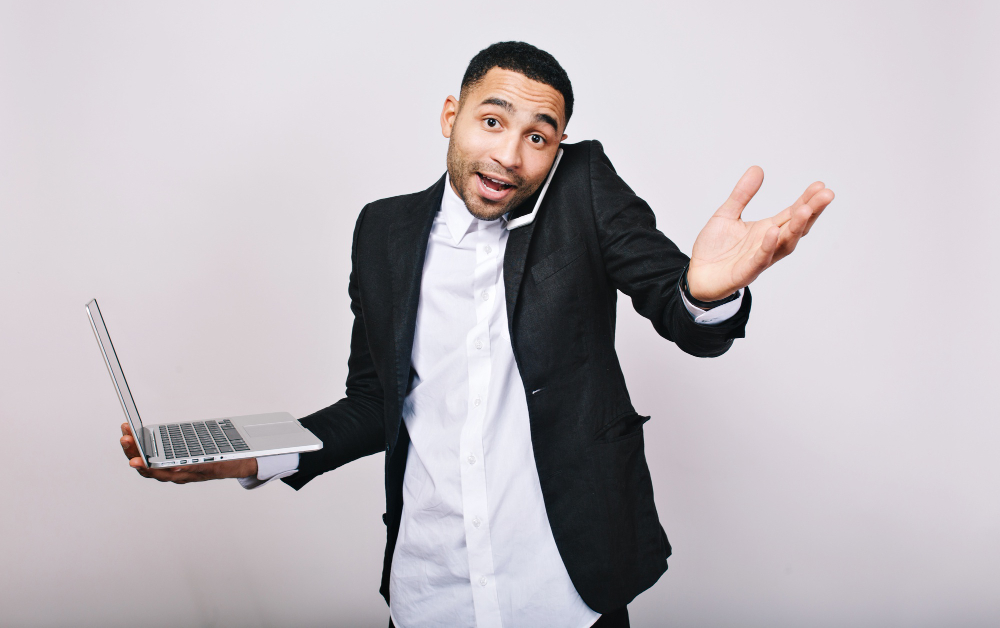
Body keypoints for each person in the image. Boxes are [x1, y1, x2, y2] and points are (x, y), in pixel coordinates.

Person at [118, 41, 834, 628]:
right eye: (492, 122)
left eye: (538, 137)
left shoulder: (583, 191)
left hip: (566, 592)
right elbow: (374, 404)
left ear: (558, 148)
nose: (511, 155)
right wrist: (249, 455)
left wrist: (708, 292)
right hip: (431, 591)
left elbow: (684, 317)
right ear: (451, 116)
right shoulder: (383, 231)